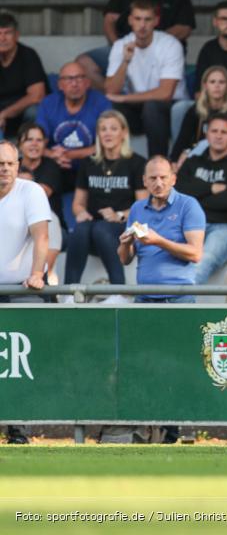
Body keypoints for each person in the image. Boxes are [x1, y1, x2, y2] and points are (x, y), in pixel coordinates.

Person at [64, 110, 147, 301]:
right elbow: (77, 204)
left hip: (127, 226)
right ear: (98, 134)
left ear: (124, 133)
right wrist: (81, 212)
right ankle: (68, 292)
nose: (108, 133)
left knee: (101, 228)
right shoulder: (89, 163)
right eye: (103, 129)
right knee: (80, 228)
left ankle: (119, 291)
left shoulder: (136, 163)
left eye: (113, 128)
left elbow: (142, 207)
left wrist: (119, 215)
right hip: (94, 228)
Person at [0, 139, 51, 445]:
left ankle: (19, 428)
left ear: (18, 166)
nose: (4, 169)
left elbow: (41, 236)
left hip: (22, 290)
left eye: (9, 163)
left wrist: (36, 273)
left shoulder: (30, 192)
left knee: (20, 363)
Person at [176, 113, 227, 285]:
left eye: (224, 132)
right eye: (214, 131)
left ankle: (176, 301)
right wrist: (211, 188)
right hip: (188, 225)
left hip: (226, 227)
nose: (218, 136)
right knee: (161, 256)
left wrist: (194, 196)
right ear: (207, 134)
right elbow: (178, 193)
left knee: (203, 261)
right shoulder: (192, 163)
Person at [105, 0, 188, 158]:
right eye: (138, 19)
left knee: (152, 107)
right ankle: (115, 165)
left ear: (156, 21)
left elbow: (165, 93)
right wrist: (125, 62)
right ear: (130, 20)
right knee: (111, 107)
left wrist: (125, 98)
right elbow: (111, 90)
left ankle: (157, 163)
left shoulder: (170, 45)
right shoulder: (120, 45)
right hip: (137, 108)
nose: (142, 25)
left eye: (147, 19)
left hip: (170, 107)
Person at [118, 155, 205, 304]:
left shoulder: (188, 205)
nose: (158, 183)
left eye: (163, 177)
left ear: (173, 179)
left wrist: (158, 241)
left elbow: (195, 254)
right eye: (153, 178)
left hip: (179, 297)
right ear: (144, 181)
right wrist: (125, 244)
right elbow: (125, 259)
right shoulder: (137, 208)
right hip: (143, 296)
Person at [35, 61, 112, 190]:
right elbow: (37, 142)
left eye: (79, 78)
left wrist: (70, 155)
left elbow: (109, 143)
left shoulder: (101, 103)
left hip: (92, 164)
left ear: (87, 82)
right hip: (56, 165)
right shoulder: (48, 103)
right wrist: (51, 154)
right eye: (69, 79)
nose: (75, 83)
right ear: (60, 85)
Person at [16, 124, 64, 285]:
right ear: (19, 144)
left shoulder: (51, 166)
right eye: (29, 139)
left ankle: (43, 277)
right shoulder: (10, 166)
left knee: (49, 221)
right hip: (14, 218)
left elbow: (40, 195)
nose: (34, 144)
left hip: (47, 220)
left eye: (39, 140)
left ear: (45, 144)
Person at [170, 66, 227, 166]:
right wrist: (174, 161)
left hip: (225, 159)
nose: (217, 86)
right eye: (212, 82)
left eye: (221, 82)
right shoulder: (195, 109)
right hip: (197, 157)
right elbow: (182, 140)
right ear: (205, 85)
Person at [0, 12, 47, 139]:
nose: (2, 38)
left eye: (7, 33)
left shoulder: (28, 55)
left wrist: (4, 114)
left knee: (34, 111)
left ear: (16, 36)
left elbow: (37, 96)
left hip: (23, 110)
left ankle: (29, 142)